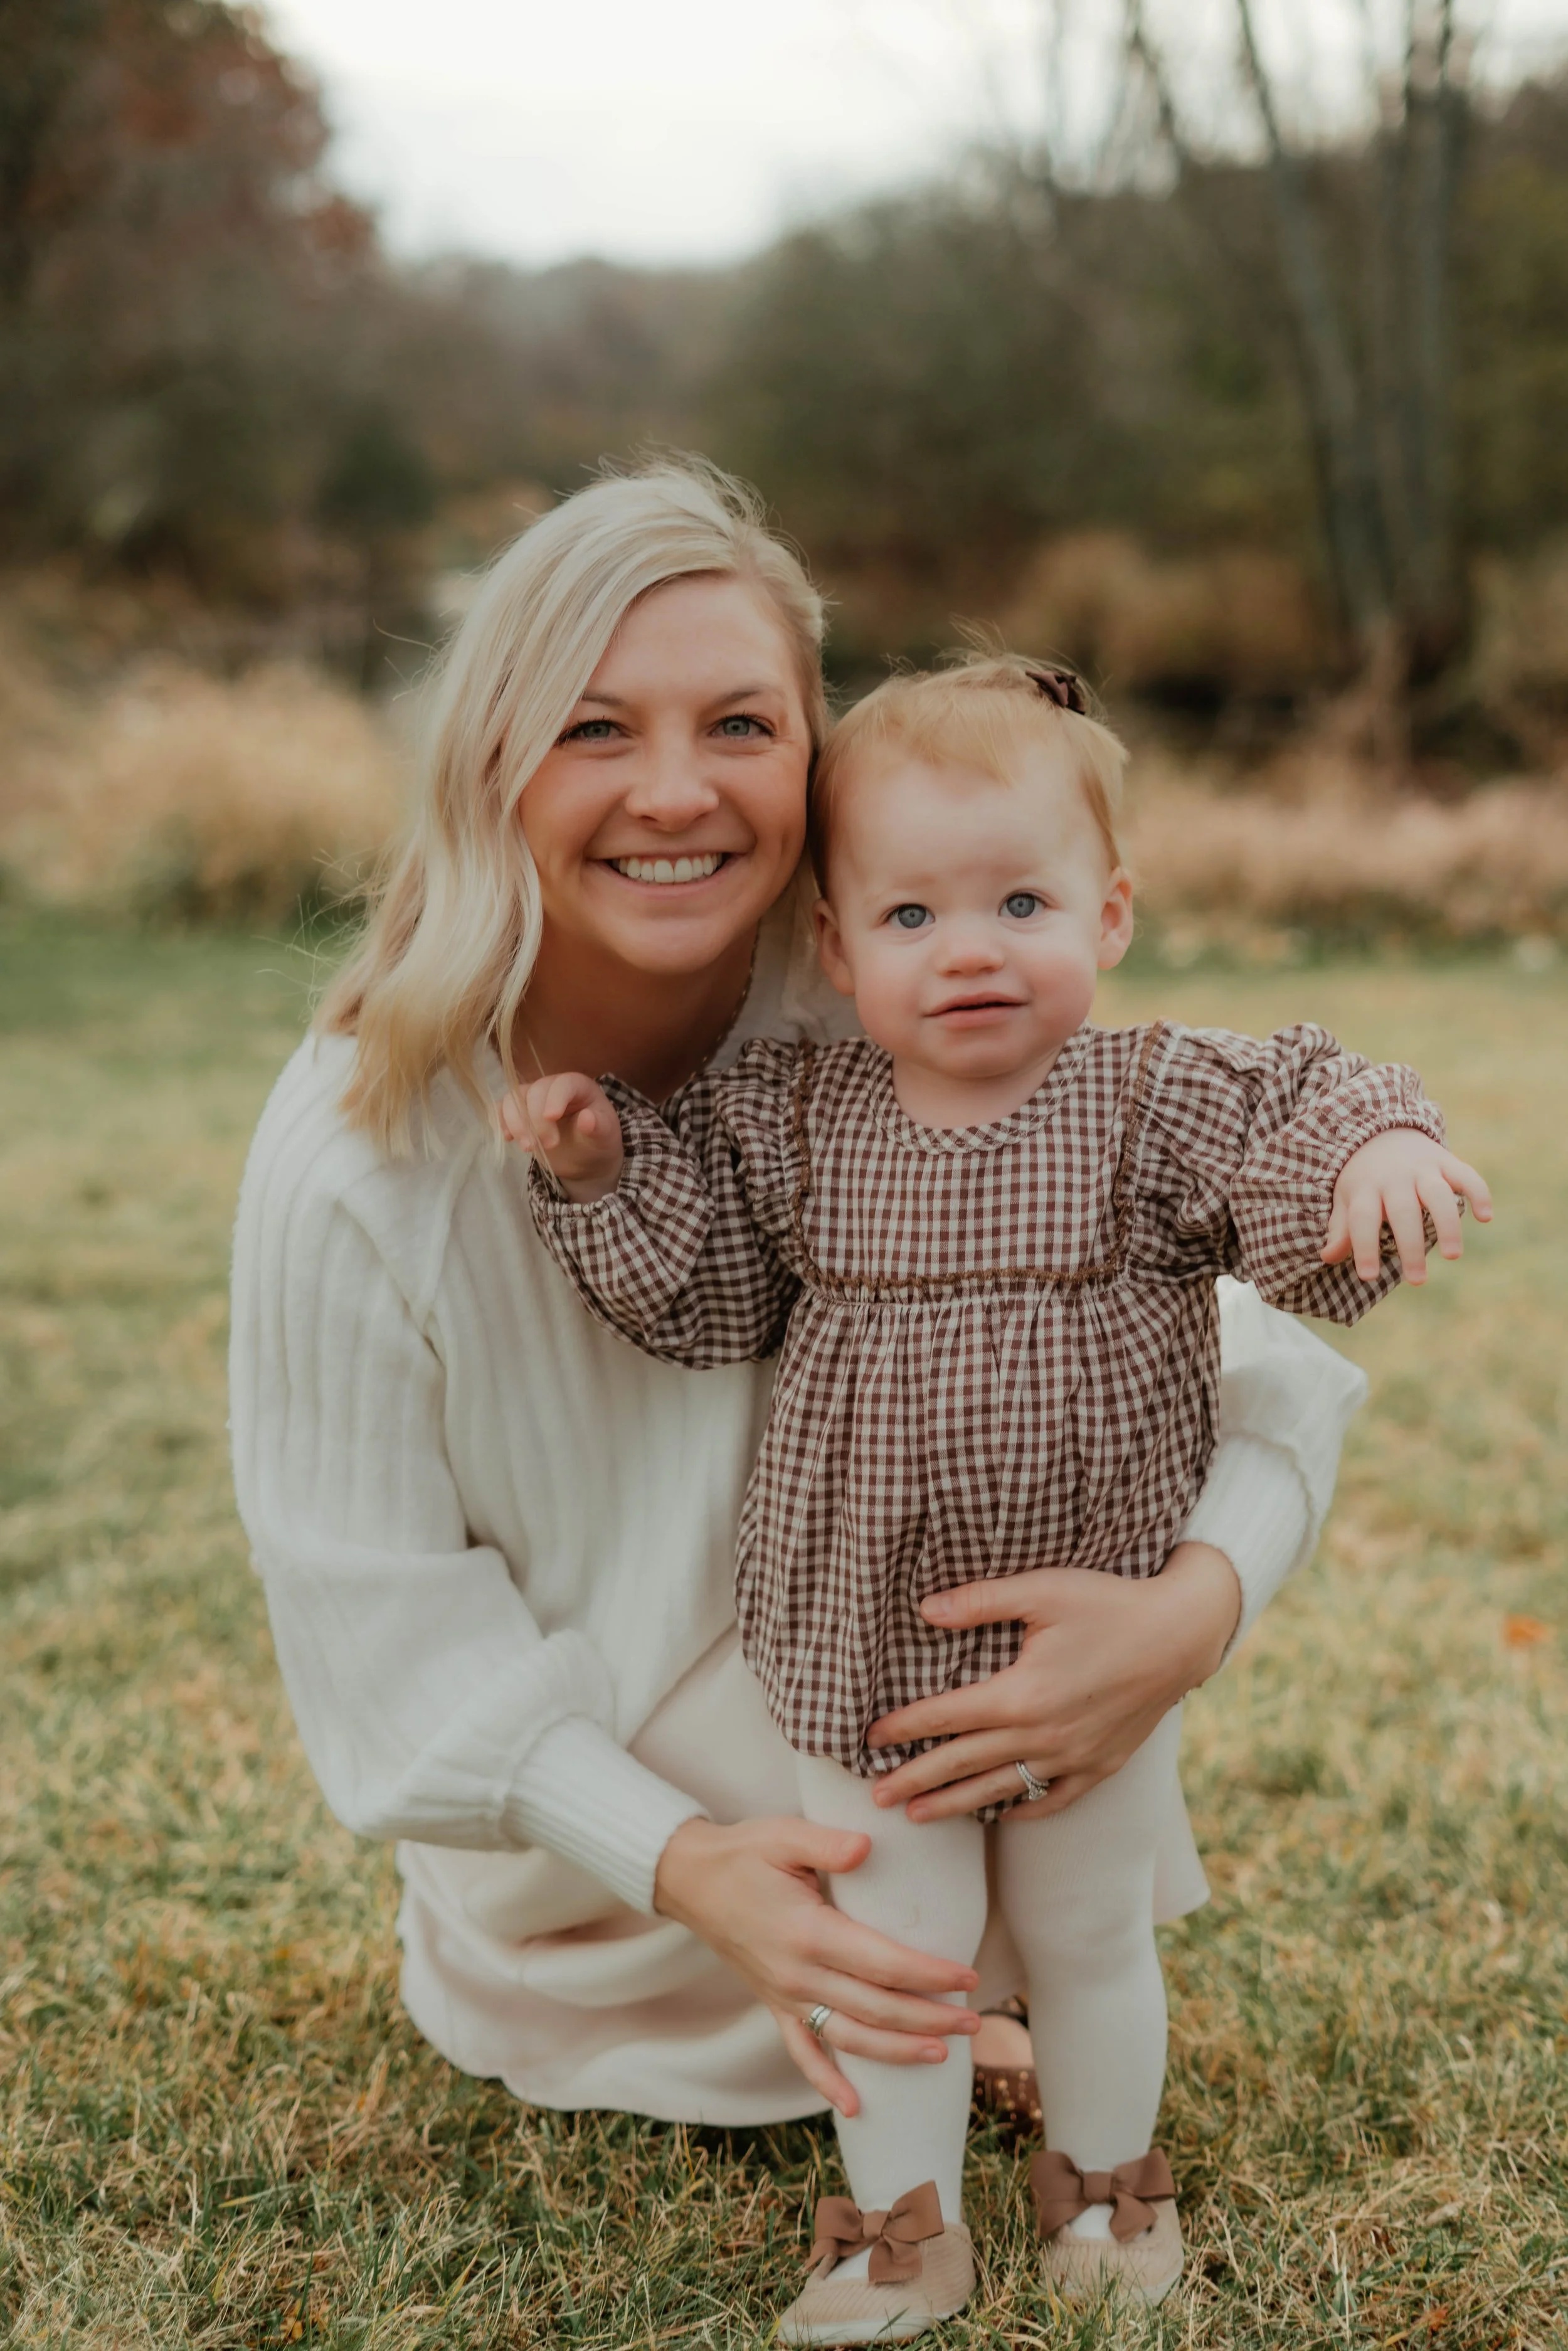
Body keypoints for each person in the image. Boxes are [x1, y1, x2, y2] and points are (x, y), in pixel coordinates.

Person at [229, 460, 1372, 2279]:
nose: (676, 788)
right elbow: (381, 1626)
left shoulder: (886, 998)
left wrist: (1188, 1612)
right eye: (596, 726)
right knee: (864, 1783)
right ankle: (893, 2091)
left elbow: (1251, 1367)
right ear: (491, 761)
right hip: (610, 1867)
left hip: (946, 1740)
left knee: (999, 1695)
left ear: (813, 767)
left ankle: (1034, 2055)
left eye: (741, 724)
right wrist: (676, 1855)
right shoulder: (360, 1148)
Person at [511, 653, 1489, 2338]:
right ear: (834, 946)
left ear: (1106, 917)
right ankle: (902, 2230)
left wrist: (1367, 1148)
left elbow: (1296, 1109)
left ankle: (1105, 2185)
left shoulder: (1150, 1098)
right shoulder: (790, 1116)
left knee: (1089, 1925)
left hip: (1088, 1646)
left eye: (1018, 899)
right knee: (896, 1947)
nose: (966, 948)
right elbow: (709, 1297)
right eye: (908, 917)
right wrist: (603, 1172)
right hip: (854, 1639)